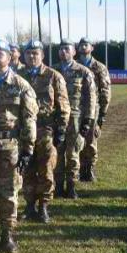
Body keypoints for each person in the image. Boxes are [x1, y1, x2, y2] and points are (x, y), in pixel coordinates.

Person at [0, 40, 37, 253]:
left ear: (9, 58)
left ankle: (8, 235)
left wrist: (28, 149)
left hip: (10, 147)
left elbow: (29, 119)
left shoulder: (21, 85)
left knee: (9, 192)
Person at [17, 40, 70, 223]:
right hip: (24, 131)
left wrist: (61, 128)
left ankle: (44, 207)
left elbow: (63, 105)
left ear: (42, 55)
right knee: (27, 169)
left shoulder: (53, 76)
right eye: (29, 53)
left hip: (46, 129)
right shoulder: (19, 76)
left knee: (46, 168)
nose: (32, 56)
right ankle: (30, 205)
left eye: (36, 53)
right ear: (24, 56)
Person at [53, 40, 97, 199]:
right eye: (61, 49)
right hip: (57, 118)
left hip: (75, 119)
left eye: (66, 49)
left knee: (73, 154)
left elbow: (91, 98)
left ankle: (71, 186)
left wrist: (88, 120)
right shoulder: (53, 71)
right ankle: (58, 186)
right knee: (57, 153)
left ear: (73, 52)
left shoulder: (83, 71)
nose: (63, 52)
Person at [76, 37, 111, 182]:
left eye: (86, 45)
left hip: (93, 109)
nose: (83, 47)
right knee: (76, 140)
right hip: (76, 108)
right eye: (81, 45)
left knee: (91, 140)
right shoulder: (74, 65)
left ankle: (88, 169)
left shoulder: (99, 67)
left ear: (92, 47)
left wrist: (102, 113)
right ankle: (77, 169)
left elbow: (105, 90)